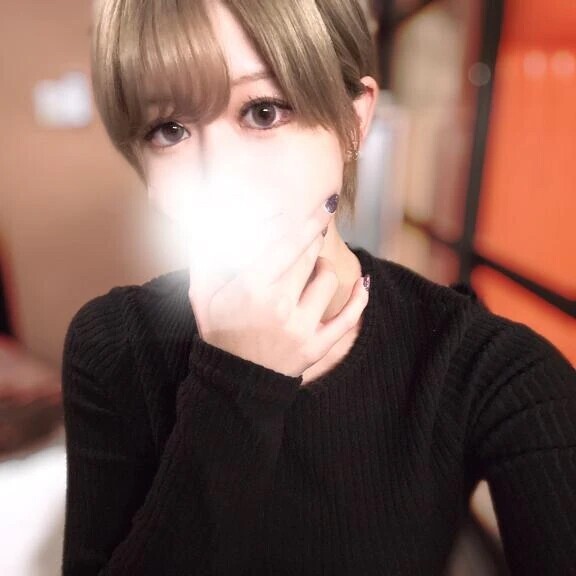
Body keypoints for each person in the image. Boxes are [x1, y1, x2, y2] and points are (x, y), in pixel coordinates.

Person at [61, 0, 576, 574]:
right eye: (170, 129)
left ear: (353, 121)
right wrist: (236, 382)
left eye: (263, 112)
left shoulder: (487, 367)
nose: (220, 175)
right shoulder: (111, 344)